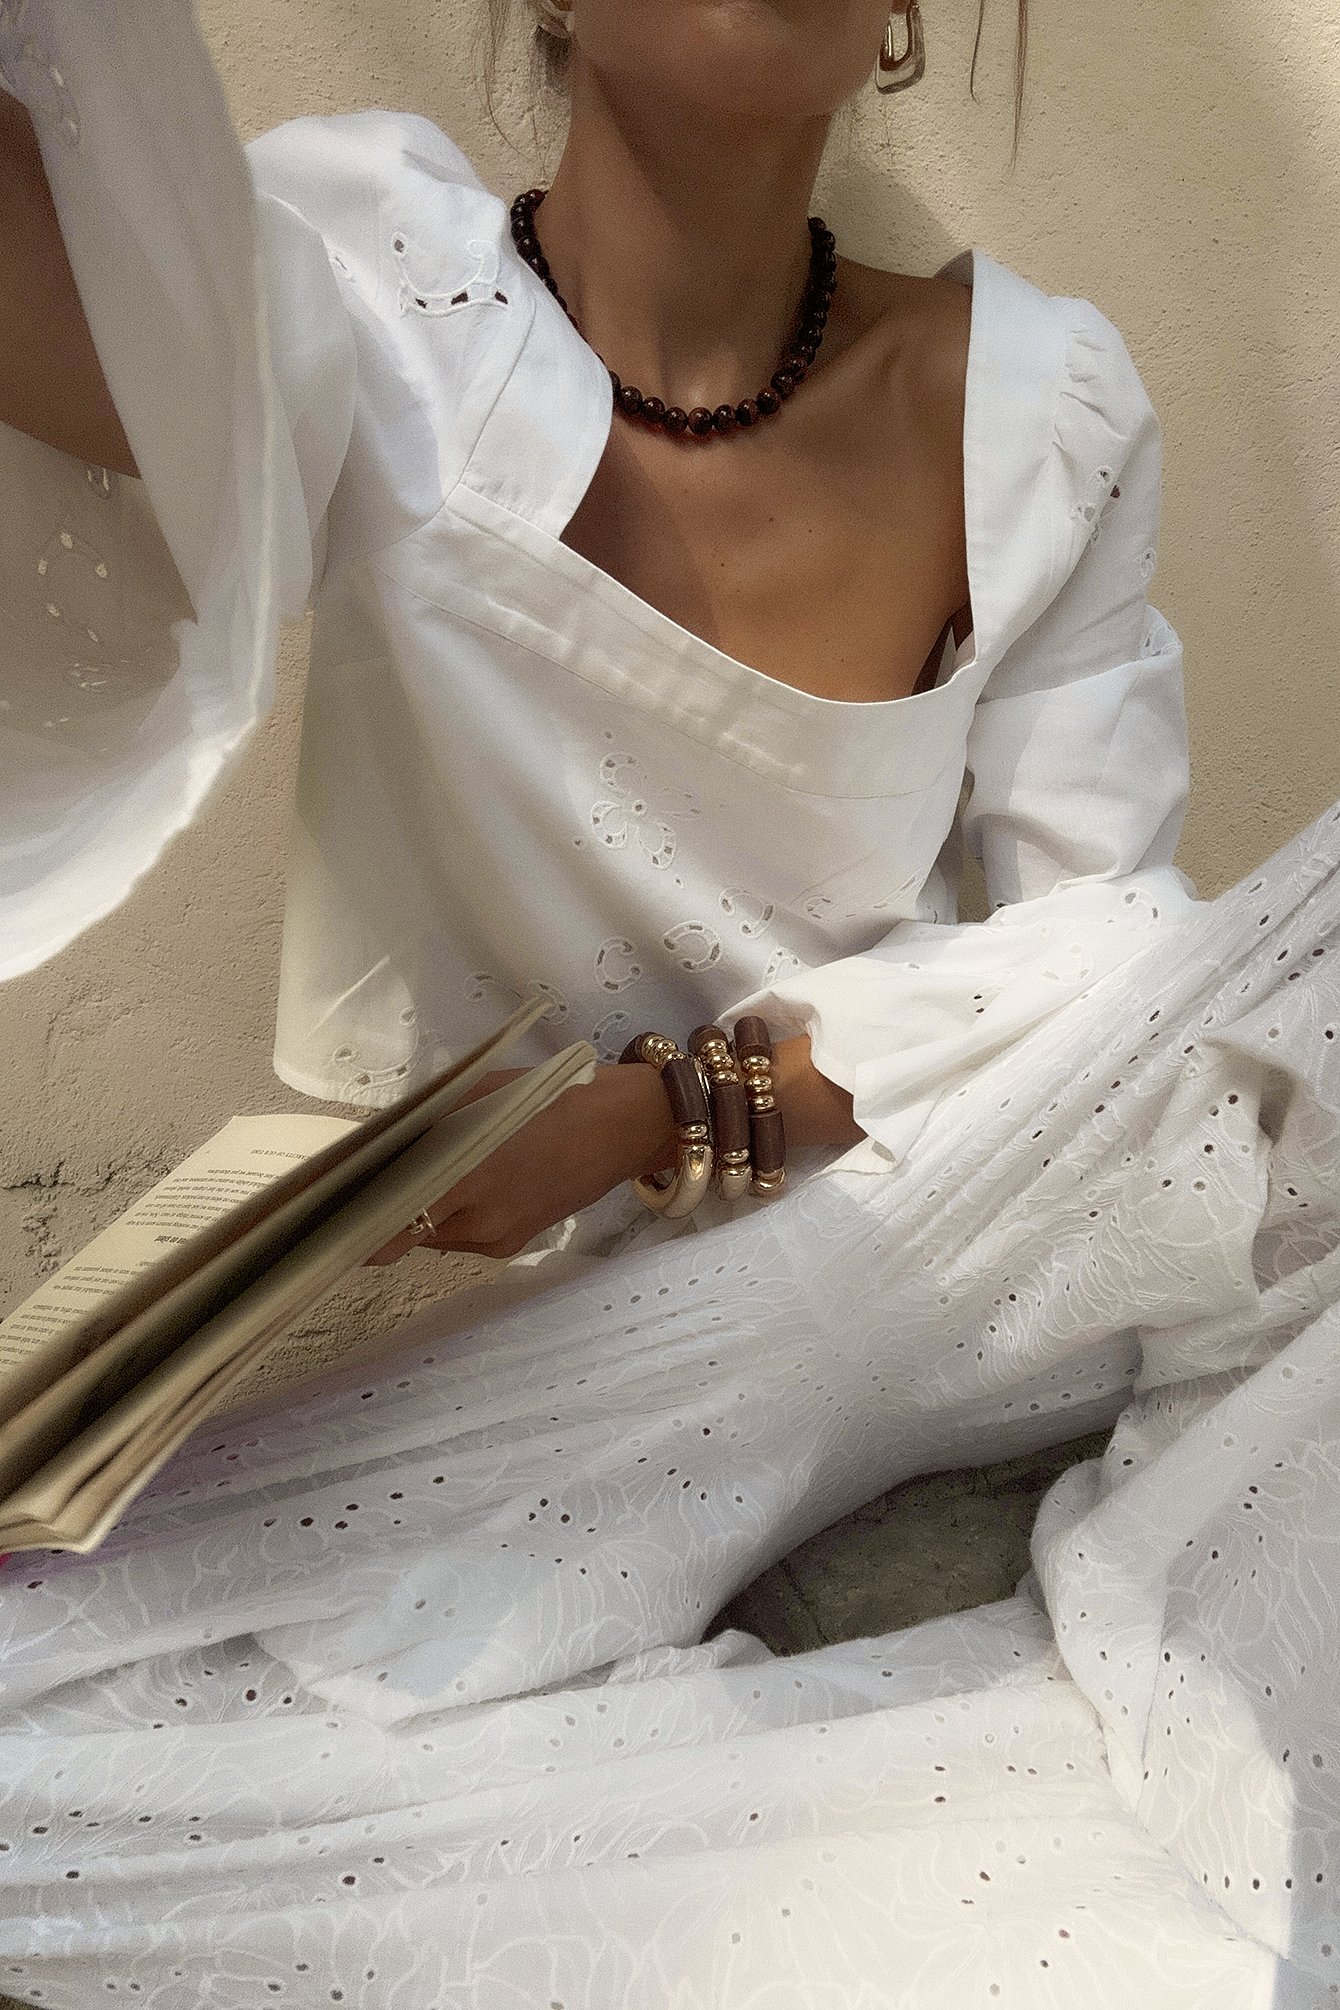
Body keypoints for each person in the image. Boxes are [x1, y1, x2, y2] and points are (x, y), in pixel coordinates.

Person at [0, 2, 1336, 2004]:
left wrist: (660, 1108)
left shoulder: (1041, 401)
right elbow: (88, 300)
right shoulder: (377, 293)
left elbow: (1092, 979)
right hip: (595, 1314)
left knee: (1231, 968)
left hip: (944, 1226)